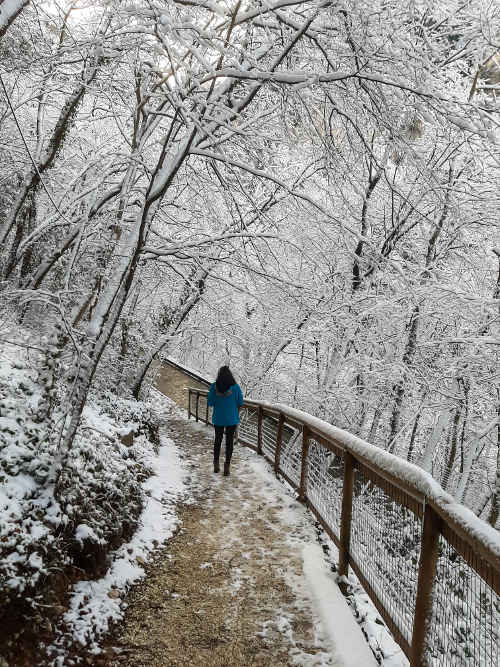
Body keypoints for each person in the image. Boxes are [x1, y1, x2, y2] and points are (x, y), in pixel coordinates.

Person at [207, 366, 244, 476]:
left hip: (218, 418)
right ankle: (227, 466)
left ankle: (216, 464)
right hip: (231, 418)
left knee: (217, 440)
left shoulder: (214, 387)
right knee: (229, 443)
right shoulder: (236, 387)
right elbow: (240, 402)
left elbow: (210, 403)